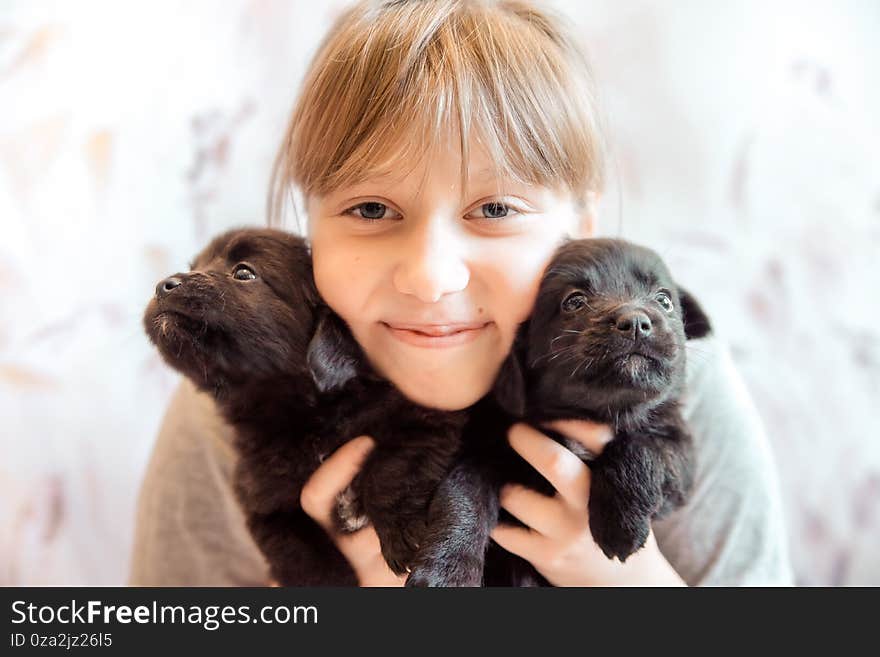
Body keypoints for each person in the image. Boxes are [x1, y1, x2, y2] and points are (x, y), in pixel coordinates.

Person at [129, 0, 792, 586]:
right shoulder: (243, 397)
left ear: (579, 232)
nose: (429, 275)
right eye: (370, 209)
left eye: (496, 208)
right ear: (312, 228)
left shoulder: (678, 386)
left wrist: (627, 582)